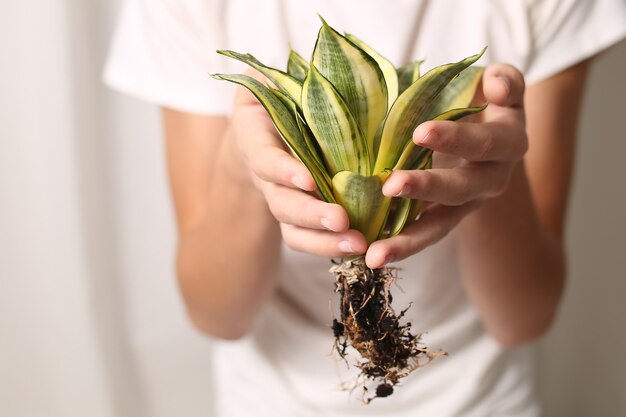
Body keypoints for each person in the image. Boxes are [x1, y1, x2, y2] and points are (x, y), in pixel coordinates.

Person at [104, 1, 626, 415]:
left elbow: (526, 317)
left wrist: (490, 173)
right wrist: (245, 174)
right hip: (268, 402)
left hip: (480, 400)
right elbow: (214, 313)